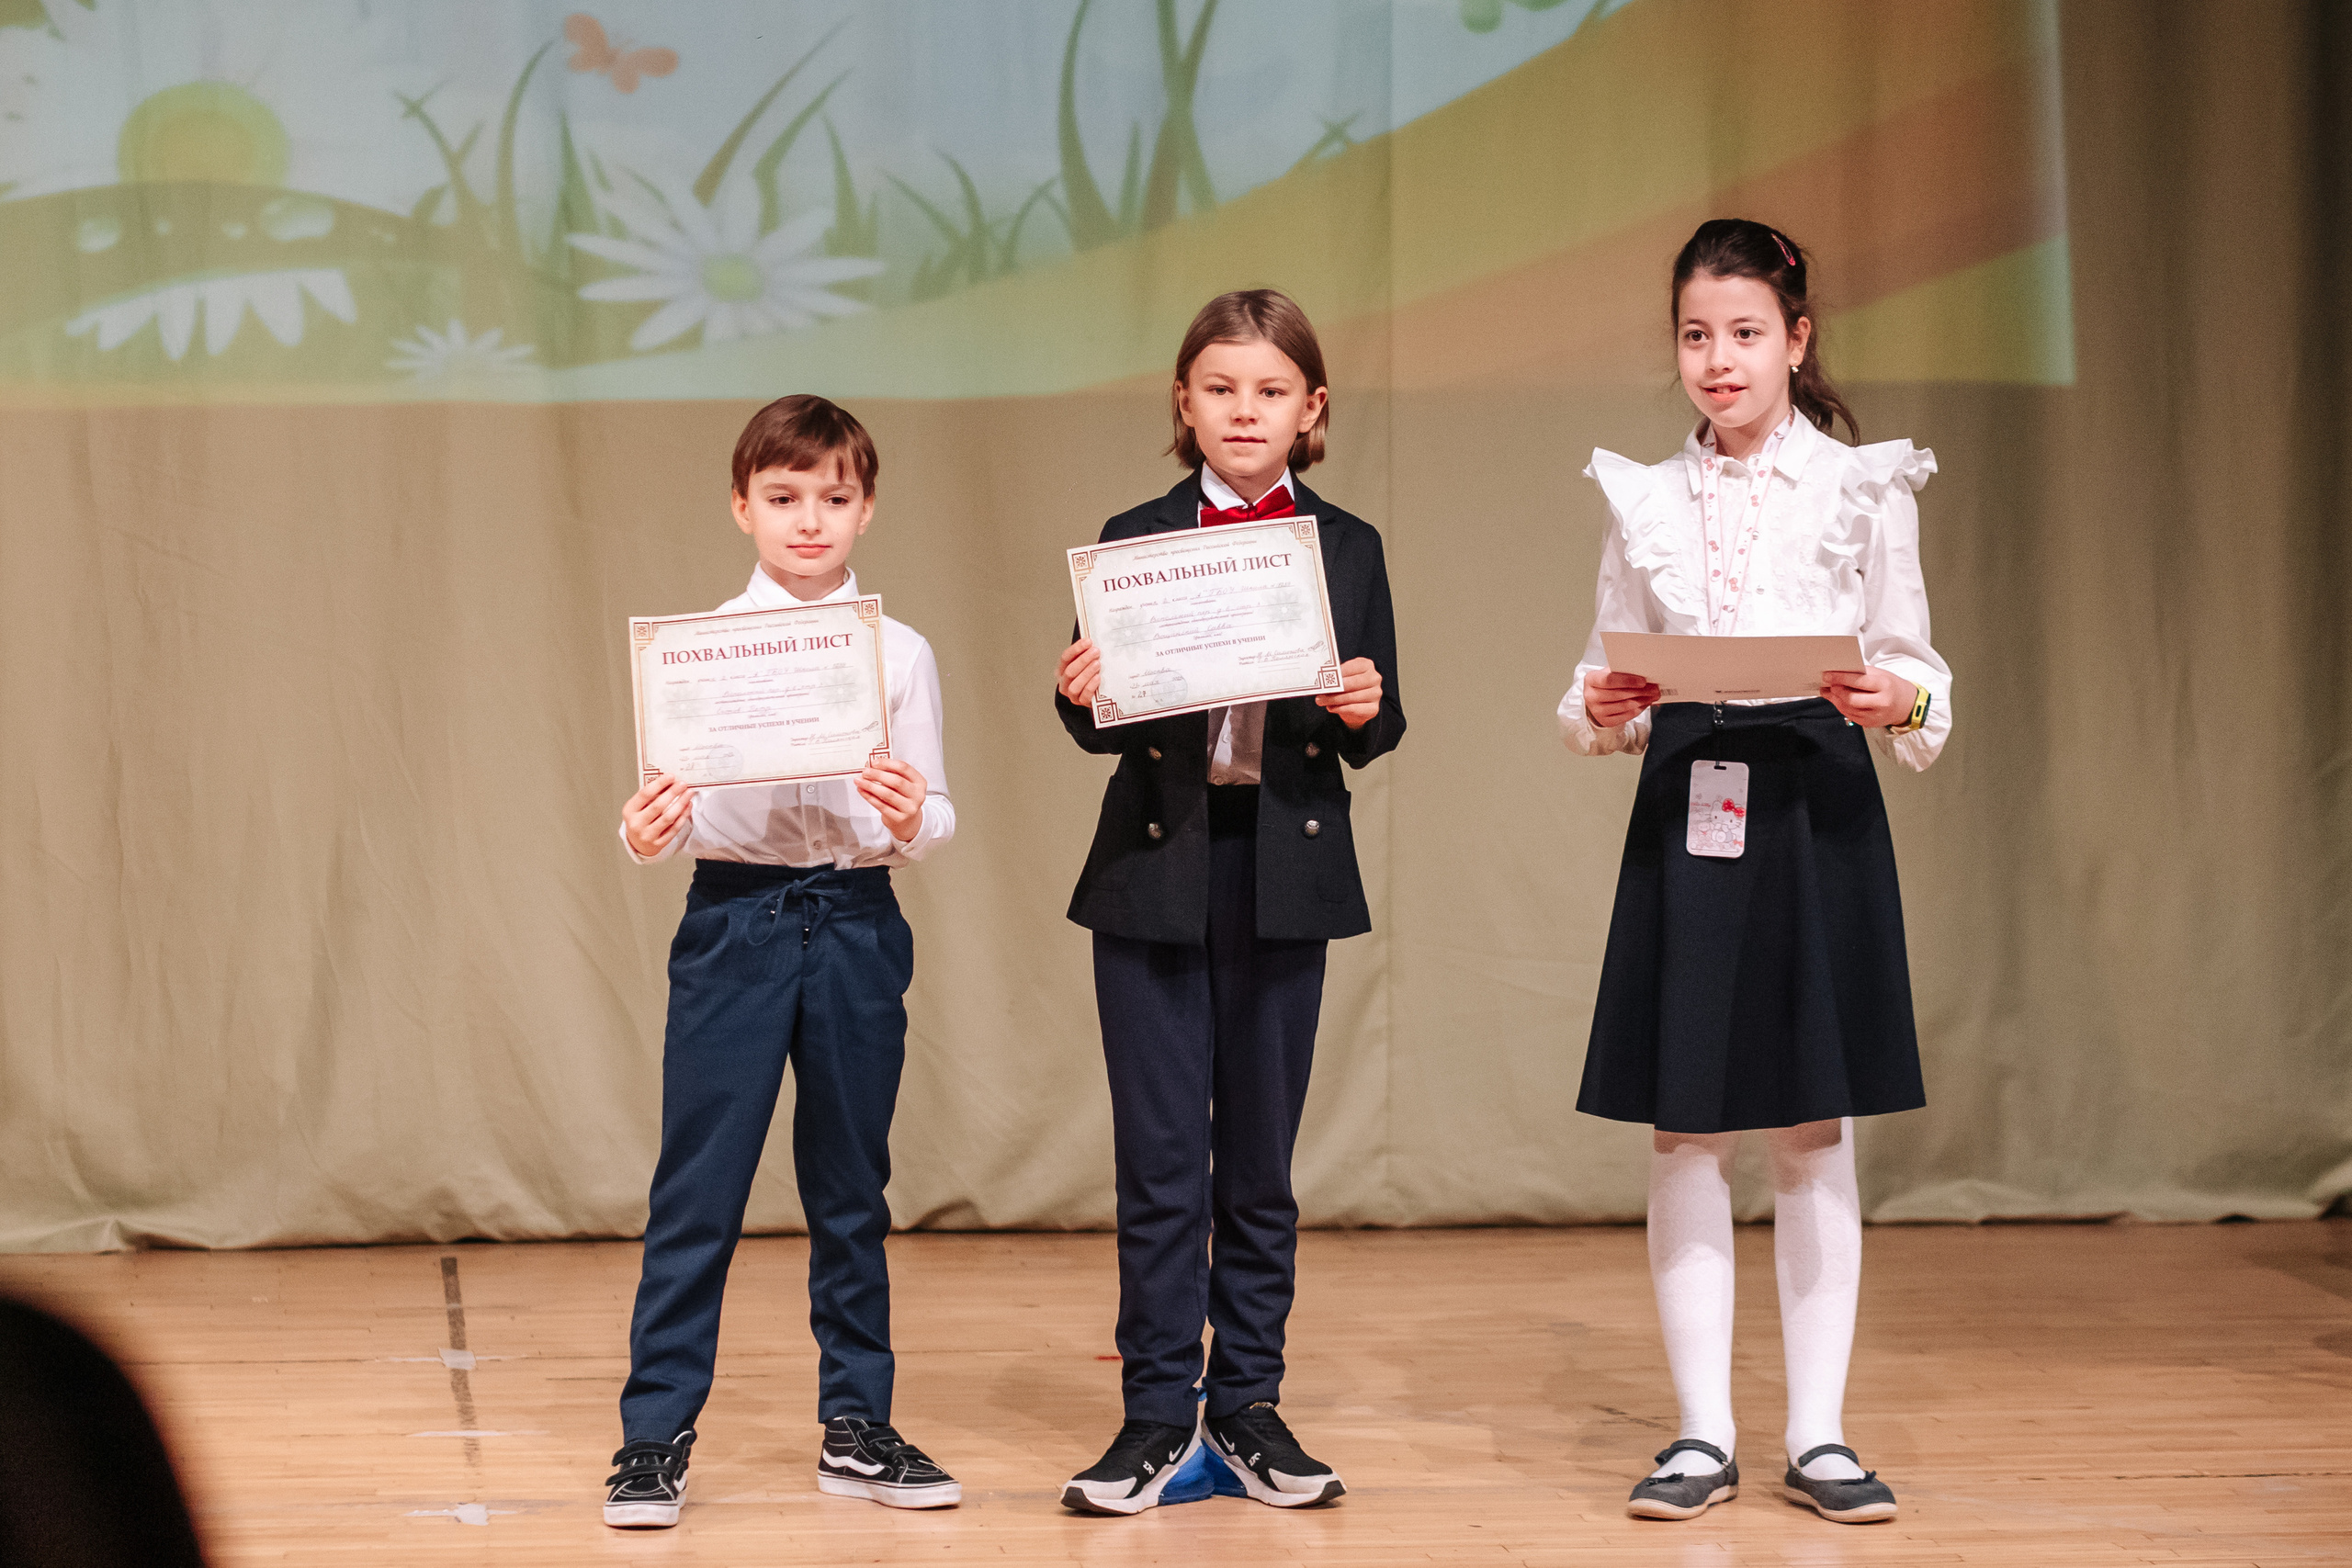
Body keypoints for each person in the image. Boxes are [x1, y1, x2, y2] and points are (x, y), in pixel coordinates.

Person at [1557, 220, 1952, 1525]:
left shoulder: (1862, 486)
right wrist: (1601, 702)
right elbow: (1601, 675)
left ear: (1797, 338)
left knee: (1811, 1123)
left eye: (1743, 332)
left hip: (1814, 797)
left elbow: (1915, 668)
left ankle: (1820, 1436)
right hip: (1691, 789)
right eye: (1695, 334)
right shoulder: (1646, 497)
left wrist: (1895, 696)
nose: (1717, 359)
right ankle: (1699, 1433)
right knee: (1686, 1123)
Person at [1052, 288, 1405, 1515]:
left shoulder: (1345, 544)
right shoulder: (1134, 534)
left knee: (1258, 1165)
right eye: (1219, 388)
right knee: (1160, 1164)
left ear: (1311, 408)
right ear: (1184, 403)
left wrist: (1363, 707)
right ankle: (1157, 1412)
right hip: (1157, 870)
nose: (1243, 410)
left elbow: (1377, 722)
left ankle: (1247, 1402)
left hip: (1283, 869)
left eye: (1269, 390)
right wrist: (1080, 691)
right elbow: (1099, 724)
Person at [603, 395, 960, 1527]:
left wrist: (909, 815)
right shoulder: (697, 650)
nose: (810, 520)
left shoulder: (900, 653)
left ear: (867, 508)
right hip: (735, 920)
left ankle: (857, 1424)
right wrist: (643, 833)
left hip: (855, 920)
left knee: (851, 1189)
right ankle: (653, 1437)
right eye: (783, 496)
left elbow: (936, 814)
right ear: (741, 506)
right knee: (697, 1190)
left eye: (833, 498)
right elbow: (666, 815)